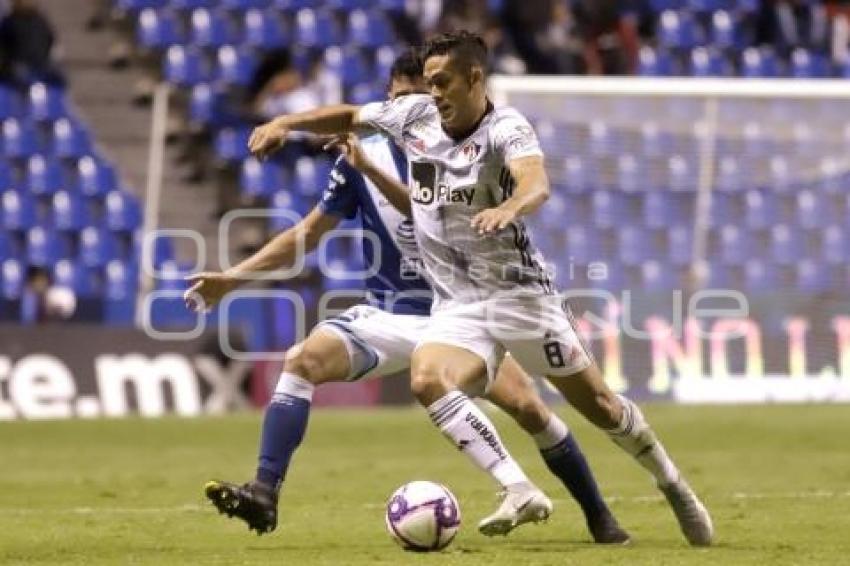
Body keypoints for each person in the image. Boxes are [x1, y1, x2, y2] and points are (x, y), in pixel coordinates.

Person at [246, 31, 714, 547]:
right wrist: (284, 123)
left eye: (443, 82)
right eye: (429, 83)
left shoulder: (507, 128)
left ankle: (673, 484)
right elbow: (348, 116)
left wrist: (510, 207)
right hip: (458, 305)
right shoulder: (416, 116)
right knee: (428, 379)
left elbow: (535, 182)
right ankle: (518, 488)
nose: (434, 93)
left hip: (521, 299)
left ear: (475, 78)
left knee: (602, 407)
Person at [188, 49, 628, 544]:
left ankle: (599, 516)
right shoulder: (363, 155)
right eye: (398, 100)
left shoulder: (471, 155)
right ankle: (264, 492)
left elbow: (426, 207)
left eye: (422, 98)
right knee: (302, 359)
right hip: (390, 314)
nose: (413, 111)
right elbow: (307, 234)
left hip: (464, 317)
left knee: (529, 407)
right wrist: (233, 278)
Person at [0, 0, 64, 86]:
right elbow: (52, 43)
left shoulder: (9, 21)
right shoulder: (41, 21)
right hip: (38, 67)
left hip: (17, 68)